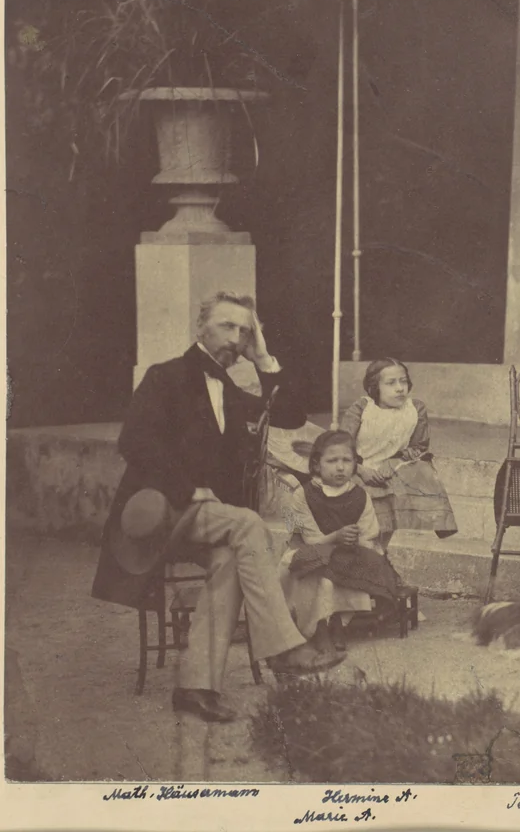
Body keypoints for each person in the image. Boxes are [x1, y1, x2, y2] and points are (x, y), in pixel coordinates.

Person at [91, 291, 345, 722]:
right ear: (200, 328)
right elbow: (134, 442)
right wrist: (189, 489)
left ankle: (196, 685)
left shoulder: (227, 388)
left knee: (231, 556)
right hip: (156, 514)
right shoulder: (165, 376)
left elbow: (288, 413)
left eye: (244, 330)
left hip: (206, 522)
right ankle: (283, 650)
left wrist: (263, 358)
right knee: (247, 525)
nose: (237, 337)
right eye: (228, 326)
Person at [278, 431, 409, 652]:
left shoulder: (360, 496)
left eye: (347, 461)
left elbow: (369, 534)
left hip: (345, 553)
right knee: (320, 574)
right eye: (332, 461)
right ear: (317, 465)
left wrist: (357, 541)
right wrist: (336, 537)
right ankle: (319, 626)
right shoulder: (302, 495)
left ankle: (338, 622)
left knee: (355, 565)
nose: (340, 467)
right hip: (308, 551)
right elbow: (308, 539)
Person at [340, 359, 457, 552]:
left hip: (392, 474)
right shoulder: (362, 408)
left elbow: (418, 446)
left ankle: (379, 564)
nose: (400, 388)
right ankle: (371, 568)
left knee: (383, 534)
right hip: (357, 473)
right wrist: (360, 470)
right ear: (374, 387)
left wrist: (394, 464)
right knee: (366, 535)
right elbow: (340, 447)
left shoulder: (415, 409)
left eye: (403, 382)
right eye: (391, 383)